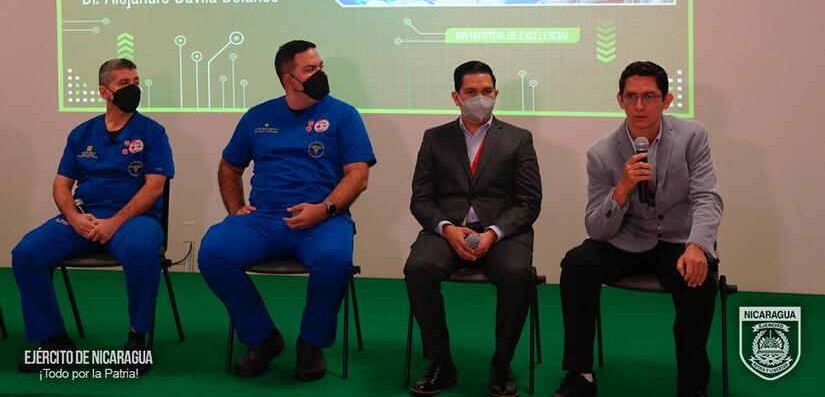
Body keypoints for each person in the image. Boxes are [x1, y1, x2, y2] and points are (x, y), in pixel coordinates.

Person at [198, 40, 376, 381]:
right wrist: (235, 208)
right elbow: (229, 166)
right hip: (264, 218)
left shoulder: (344, 115)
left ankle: (311, 344)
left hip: (323, 219)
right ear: (288, 79)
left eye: (320, 66)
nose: (320, 73)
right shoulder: (258, 116)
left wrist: (324, 208)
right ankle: (262, 338)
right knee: (213, 252)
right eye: (310, 69)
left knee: (334, 260)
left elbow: (358, 175)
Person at [552, 61, 723, 397]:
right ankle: (580, 374)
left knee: (698, 279)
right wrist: (621, 189)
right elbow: (596, 228)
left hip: (678, 241)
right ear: (620, 100)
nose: (639, 105)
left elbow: (707, 197)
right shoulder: (601, 153)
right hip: (626, 241)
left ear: (666, 100)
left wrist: (698, 246)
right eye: (631, 97)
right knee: (576, 263)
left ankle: (692, 385)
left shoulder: (692, 136)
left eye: (649, 96)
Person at [12, 58, 174, 374]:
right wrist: (74, 218)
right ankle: (54, 341)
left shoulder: (152, 132)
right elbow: (61, 185)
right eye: (124, 83)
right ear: (104, 92)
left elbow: (155, 187)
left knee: (142, 252)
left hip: (134, 219)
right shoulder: (82, 133)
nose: (133, 88)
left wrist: (115, 222)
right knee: (26, 253)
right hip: (84, 217)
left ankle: (136, 340)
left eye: (136, 82)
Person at [404, 61, 542, 397]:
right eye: (471, 92)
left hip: (502, 233)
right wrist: (448, 229)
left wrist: (492, 233)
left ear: (496, 93)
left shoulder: (518, 139)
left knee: (517, 274)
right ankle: (441, 361)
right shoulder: (434, 138)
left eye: (487, 91)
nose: (481, 98)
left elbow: (529, 202)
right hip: (448, 230)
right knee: (418, 267)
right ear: (456, 97)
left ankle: (502, 363)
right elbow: (420, 199)